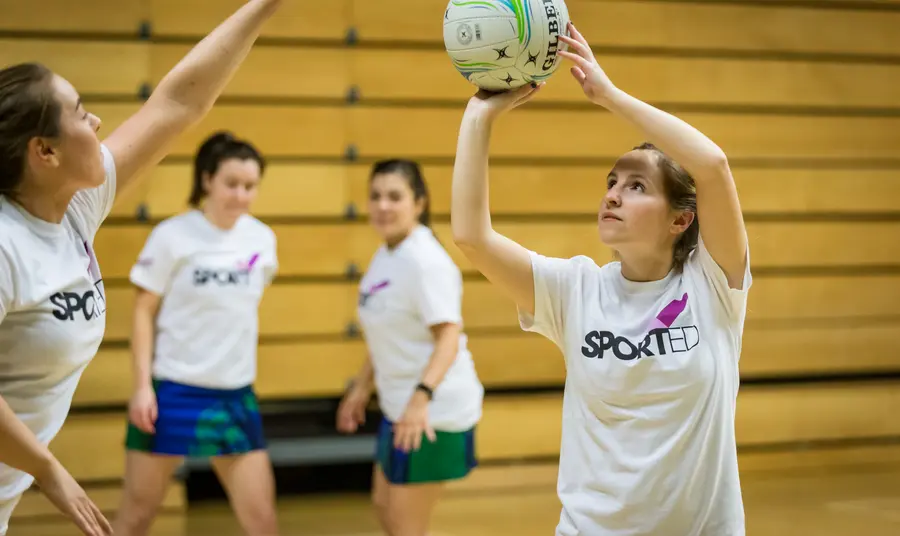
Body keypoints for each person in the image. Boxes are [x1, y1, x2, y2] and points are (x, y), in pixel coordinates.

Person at [450, 22, 751, 536]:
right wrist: (478, 116)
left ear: (681, 219)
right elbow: (471, 235)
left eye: (636, 186)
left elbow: (714, 165)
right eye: (612, 182)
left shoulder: (712, 284)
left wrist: (608, 96)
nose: (612, 194)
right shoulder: (575, 289)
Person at [0, 1, 283, 534]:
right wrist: (48, 469)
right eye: (80, 112)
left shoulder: (72, 209)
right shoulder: (5, 243)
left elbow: (177, 102)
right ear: (44, 151)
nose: (98, 121)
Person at [113, 131, 279, 535]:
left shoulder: (262, 240)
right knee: (136, 518)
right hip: (173, 393)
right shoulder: (172, 236)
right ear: (206, 180)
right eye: (231, 184)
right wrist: (141, 387)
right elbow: (142, 310)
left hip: (234, 396)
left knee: (263, 522)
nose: (241, 195)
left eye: (250, 186)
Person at [337, 159, 484, 536]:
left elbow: (448, 337)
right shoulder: (387, 253)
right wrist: (361, 385)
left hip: (431, 412)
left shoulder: (425, 261)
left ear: (419, 203)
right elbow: (387, 329)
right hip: (398, 406)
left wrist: (421, 400)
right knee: (384, 509)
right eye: (376, 196)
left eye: (394, 196)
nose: (383, 205)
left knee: (406, 526)